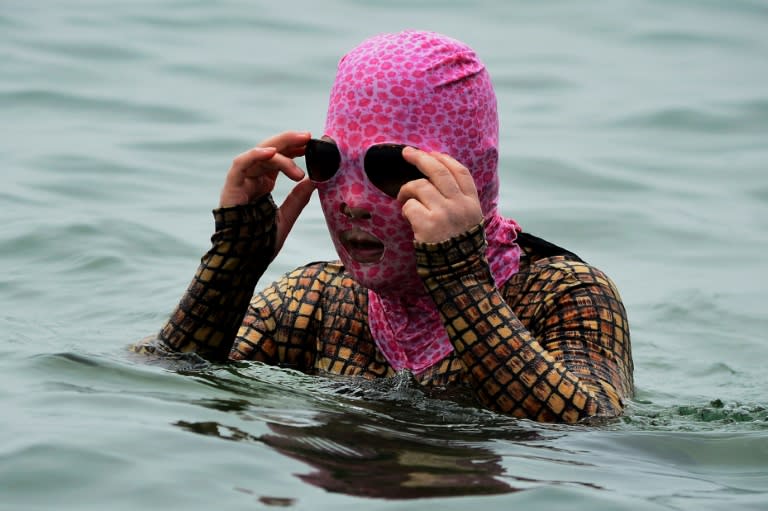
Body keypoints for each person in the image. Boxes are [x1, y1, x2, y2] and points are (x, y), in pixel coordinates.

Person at [134, 30, 633, 423]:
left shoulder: (560, 295)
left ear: (469, 174)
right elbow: (165, 386)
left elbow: (589, 433)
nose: (352, 202)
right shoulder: (320, 303)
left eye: (388, 171)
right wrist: (231, 266)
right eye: (329, 162)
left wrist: (459, 281)